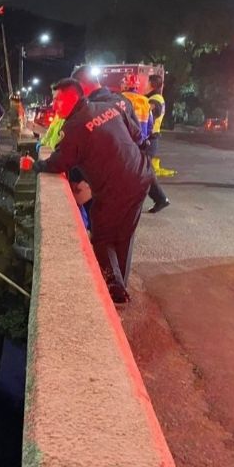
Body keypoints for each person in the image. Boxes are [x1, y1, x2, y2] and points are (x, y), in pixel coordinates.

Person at [33, 79, 152, 304]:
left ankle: (115, 287)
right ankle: (120, 287)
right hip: (140, 177)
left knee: (102, 237)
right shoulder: (110, 107)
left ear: (71, 98)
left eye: (57, 100)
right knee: (125, 235)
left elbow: (59, 162)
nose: (54, 105)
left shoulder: (75, 127)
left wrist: (37, 166)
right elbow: (137, 136)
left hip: (114, 188)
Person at [72, 66, 169, 213]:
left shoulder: (112, 101)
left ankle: (158, 199)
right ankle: (158, 199)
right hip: (141, 145)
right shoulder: (139, 101)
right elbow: (146, 126)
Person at [144, 74, 171, 212]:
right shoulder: (155, 97)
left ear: (152, 85)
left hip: (150, 139)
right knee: (146, 172)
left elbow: (149, 115)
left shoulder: (154, 100)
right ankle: (161, 199)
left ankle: (161, 198)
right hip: (150, 139)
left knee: (145, 172)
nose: (144, 84)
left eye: (146, 82)